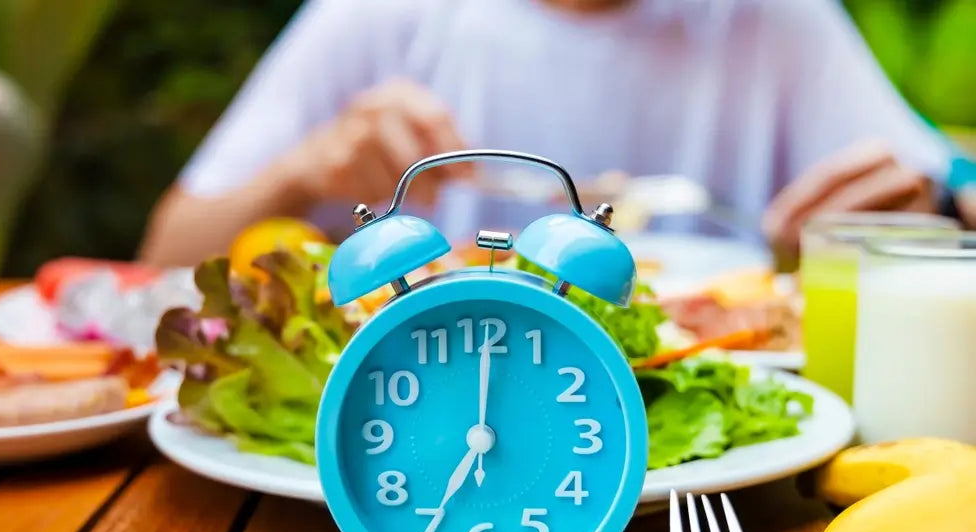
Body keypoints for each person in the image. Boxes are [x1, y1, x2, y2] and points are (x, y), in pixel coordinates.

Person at [140, 0, 963, 267]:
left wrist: (939, 208)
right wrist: (302, 174)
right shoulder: (377, 15)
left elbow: (944, 195)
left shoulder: (777, 21)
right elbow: (164, 257)